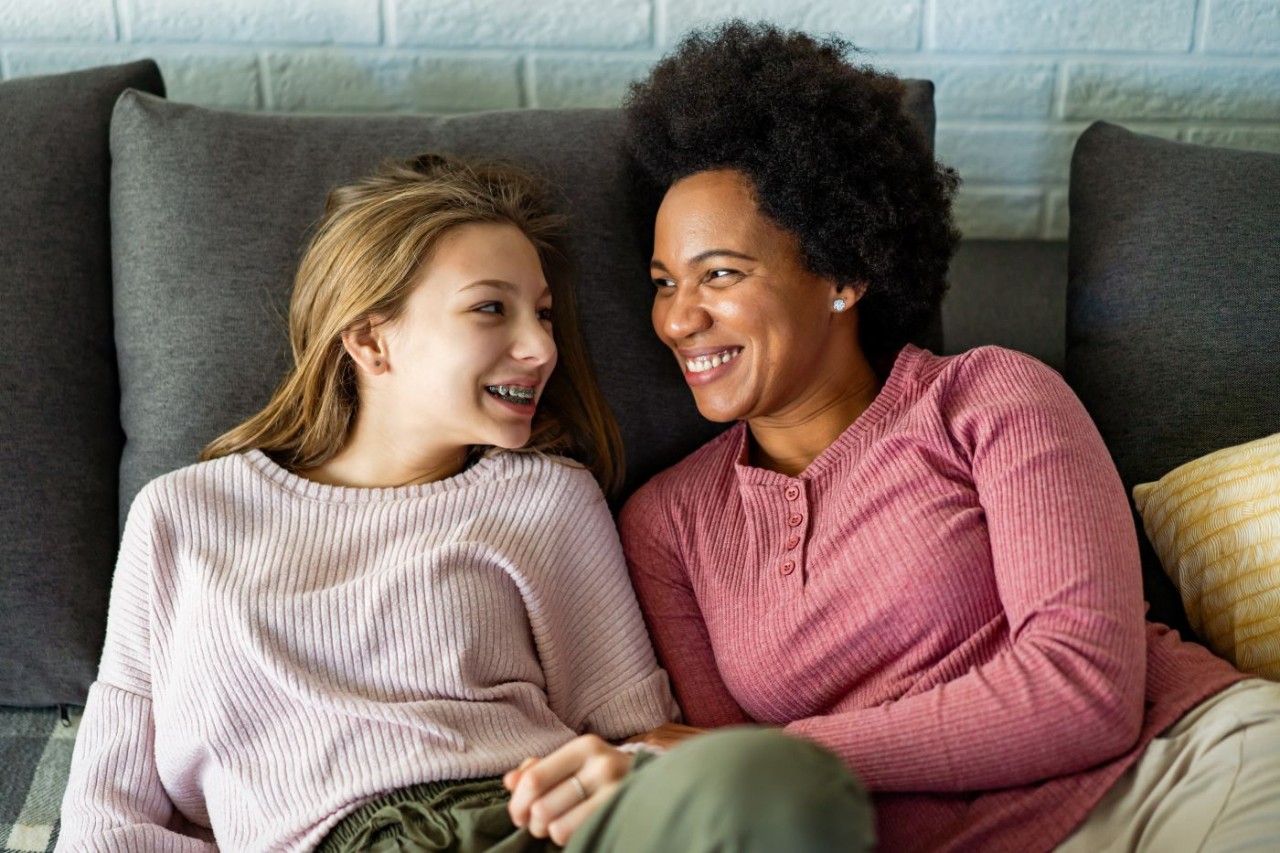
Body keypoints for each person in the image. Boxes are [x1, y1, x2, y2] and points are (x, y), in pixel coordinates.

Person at [57, 152, 875, 853]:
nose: (542, 347)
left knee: (787, 777)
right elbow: (106, 816)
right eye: (492, 308)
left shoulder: (548, 500)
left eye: (544, 314)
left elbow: (637, 730)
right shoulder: (182, 515)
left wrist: (632, 770)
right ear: (370, 338)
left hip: (530, 820)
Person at [601, 20, 1279, 853]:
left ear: (844, 270)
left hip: (1177, 777)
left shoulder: (988, 397)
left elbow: (1086, 689)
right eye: (664, 283)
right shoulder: (667, 526)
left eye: (720, 273)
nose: (678, 319)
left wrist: (787, 750)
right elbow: (735, 788)